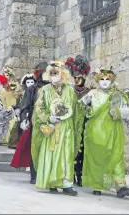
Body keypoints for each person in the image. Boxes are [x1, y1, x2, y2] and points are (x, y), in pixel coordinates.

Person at [79, 65, 129, 198]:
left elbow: (126, 111)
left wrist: (118, 112)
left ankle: (121, 185)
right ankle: (96, 184)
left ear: (112, 81)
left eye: (107, 79)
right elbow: (80, 107)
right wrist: (83, 105)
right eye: (101, 79)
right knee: (97, 158)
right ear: (97, 81)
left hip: (114, 132)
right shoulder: (92, 94)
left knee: (116, 157)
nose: (104, 81)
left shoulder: (117, 95)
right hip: (95, 132)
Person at [31, 61, 78, 196]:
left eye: (56, 73)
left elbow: (75, 108)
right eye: (51, 73)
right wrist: (47, 118)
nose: (53, 76)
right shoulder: (44, 90)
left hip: (66, 128)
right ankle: (51, 182)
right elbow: (38, 109)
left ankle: (67, 184)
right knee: (51, 155)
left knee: (66, 156)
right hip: (52, 129)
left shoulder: (70, 90)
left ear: (62, 74)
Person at [10, 62, 49, 184]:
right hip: (35, 122)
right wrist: (24, 118)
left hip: (50, 121)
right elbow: (25, 106)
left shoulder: (53, 89)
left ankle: (47, 174)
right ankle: (34, 174)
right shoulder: (32, 90)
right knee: (34, 148)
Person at [64, 55, 93, 187]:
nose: (77, 80)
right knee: (71, 150)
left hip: (86, 126)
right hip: (71, 125)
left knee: (84, 151)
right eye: (74, 78)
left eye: (79, 78)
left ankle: (80, 175)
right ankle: (71, 174)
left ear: (84, 77)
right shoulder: (69, 91)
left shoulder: (90, 92)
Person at [0, 65, 24, 148]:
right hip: (3, 103)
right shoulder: (2, 85)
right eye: (5, 74)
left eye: (8, 75)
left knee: (12, 122)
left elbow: (19, 93)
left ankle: (10, 139)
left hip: (12, 104)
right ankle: (2, 138)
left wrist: (15, 93)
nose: (6, 76)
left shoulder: (15, 84)